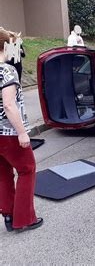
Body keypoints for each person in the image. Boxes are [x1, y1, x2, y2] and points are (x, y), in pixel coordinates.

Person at [0, 27, 43, 232]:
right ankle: (24, 218)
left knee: (3, 174)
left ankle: (8, 215)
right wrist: (22, 132)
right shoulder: (6, 70)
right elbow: (9, 105)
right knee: (27, 169)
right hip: (8, 132)